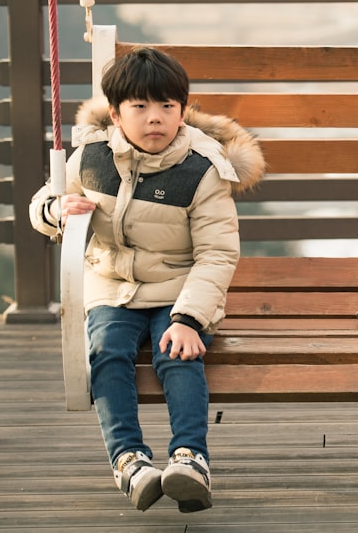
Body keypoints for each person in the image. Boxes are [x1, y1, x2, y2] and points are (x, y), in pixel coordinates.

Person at [29, 47, 265, 512]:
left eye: (167, 107)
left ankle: (190, 458)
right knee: (107, 352)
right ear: (116, 114)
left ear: (182, 109)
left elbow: (217, 253)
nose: (154, 119)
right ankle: (129, 460)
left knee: (176, 354)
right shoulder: (91, 158)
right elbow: (45, 200)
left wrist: (189, 318)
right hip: (110, 284)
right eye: (140, 107)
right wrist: (55, 210)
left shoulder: (201, 168)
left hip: (178, 288)